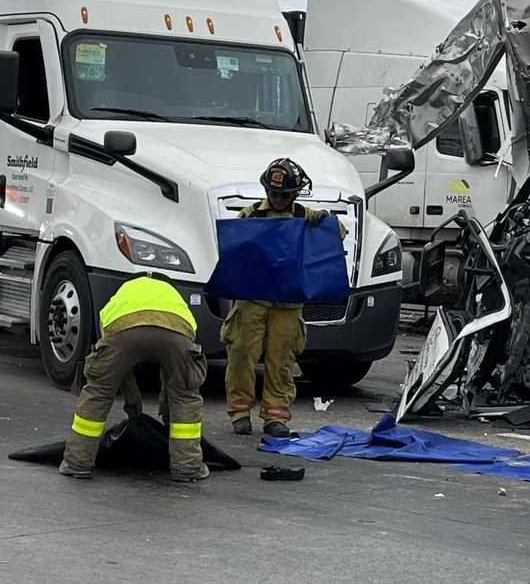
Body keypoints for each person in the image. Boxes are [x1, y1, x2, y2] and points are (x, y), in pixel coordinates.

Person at [222, 158, 343, 438]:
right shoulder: (249, 216)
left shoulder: (305, 216)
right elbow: (233, 255)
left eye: (284, 195)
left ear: (295, 194)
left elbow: (333, 237)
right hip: (251, 299)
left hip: (288, 303)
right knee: (240, 354)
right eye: (273, 193)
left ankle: (275, 416)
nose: (277, 199)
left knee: (281, 361)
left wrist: (325, 222)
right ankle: (239, 412)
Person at [60, 274, 207, 482]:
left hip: (123, 328)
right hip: (176, 329)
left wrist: (132, 400)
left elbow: (119, 371)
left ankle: (77, 463)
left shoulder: (120, 297)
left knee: (98, 391)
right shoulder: (175, 299)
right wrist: (167, 411)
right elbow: (173, 375)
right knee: (185, 395)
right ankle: (188, 467)